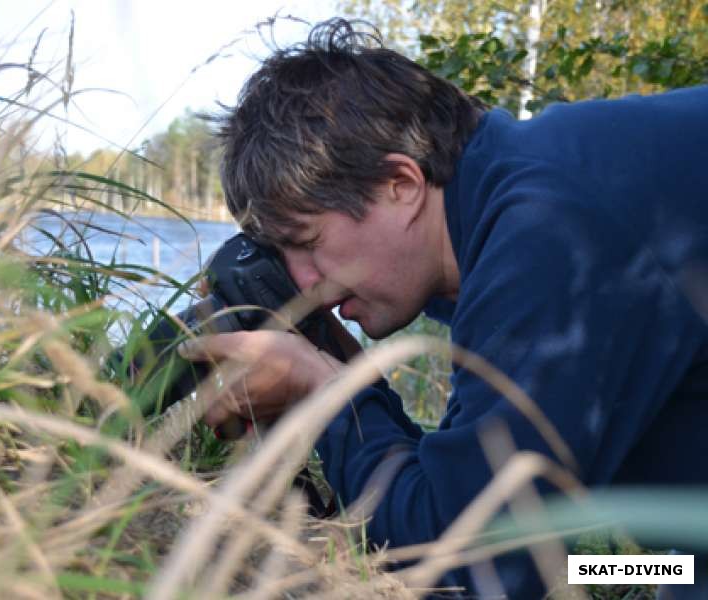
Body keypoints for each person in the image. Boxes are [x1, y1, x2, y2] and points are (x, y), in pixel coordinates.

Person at [176, 18, 708, 598]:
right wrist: (343, 379)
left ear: (401, 184)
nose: (306, 283)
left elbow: (470, 566)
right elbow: (488, 508)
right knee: (627, 571)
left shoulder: (545, 235)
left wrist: (324, 395)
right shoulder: (507, 203)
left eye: (307, 244)